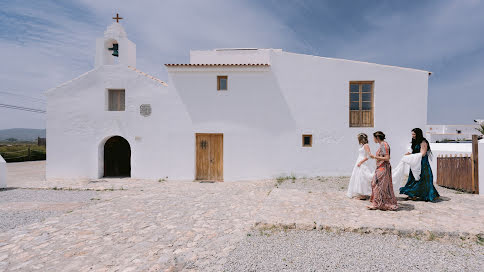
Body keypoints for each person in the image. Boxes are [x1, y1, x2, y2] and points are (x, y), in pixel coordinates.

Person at [400, 128, 440, 202]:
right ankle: (412, 194)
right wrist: (410, 154)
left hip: (422, 164)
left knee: (423, 179)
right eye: (412, 134)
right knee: (413, 178)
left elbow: (423, 153)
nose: (413, 136)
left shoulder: (423, 142)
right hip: (416, 163)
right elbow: (416, 152)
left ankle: (417, 194)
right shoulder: (415, 142)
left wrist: (412, 155)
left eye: (414, 134)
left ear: (418, 134)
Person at [368, 131, 398, 211]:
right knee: (377, 184)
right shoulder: (382, 145)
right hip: (380, 167)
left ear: (377, 138)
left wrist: (374, 157)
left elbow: (387, 158)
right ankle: (377, 203)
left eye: (374, 137)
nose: (373, 139)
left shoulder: (384, 145)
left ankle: (379, 204)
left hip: (383, 167)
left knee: (378, 184)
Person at [346, 133, 373, 199]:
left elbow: (368, 156)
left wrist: (360, 162)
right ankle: (361, 193)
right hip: (359, 162)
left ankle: (364, 194)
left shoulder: (366, 145)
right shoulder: (363, 145)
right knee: (359, 177)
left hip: (362, 163)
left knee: (363, 178)